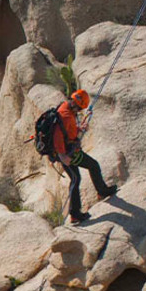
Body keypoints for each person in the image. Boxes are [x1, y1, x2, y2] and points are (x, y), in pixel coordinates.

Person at [53, 89, 117, 223]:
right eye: (79, 109)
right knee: (81, 175)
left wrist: (79, 129)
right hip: (67, 152)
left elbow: (67, 131)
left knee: (80, 175)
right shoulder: (65, 115)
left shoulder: (66, 108)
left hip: (68, 150)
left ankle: (99, 193)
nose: (79, 112)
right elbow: (58, 136)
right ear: (76, 105)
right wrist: (62, 155)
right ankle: (76, 213)